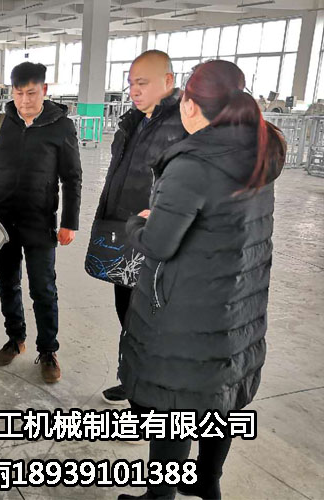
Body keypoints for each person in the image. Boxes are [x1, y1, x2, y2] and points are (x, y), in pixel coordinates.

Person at [116, 60, 286, 500]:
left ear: (190, 104)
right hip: (238, 304)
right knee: (220, 397)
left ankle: (161, 496)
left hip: (190, 310)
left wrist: (138, 221)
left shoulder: (193, 164)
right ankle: (207, 482)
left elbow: (159, 243)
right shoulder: (257, 151)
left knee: (175, 403)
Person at [87, 50, 188, 405]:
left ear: (168, 81)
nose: (134, 90)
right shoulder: (133, 122)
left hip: (155, 240)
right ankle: (133, 380)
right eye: (131, 83)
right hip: (124, 232)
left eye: (142, 83)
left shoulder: (182, 125)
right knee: (127, 313)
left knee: (151, 321)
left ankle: (152, 397)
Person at [0, 62, 82, 384]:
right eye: (18, 93)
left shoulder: (61, 127)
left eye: (31, 93)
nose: (24, 101)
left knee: (43, 288)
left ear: (44, 90)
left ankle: (47, 350)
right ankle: (15, 338)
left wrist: (70, 222)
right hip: (1, 221)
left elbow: (72, 178)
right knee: (7, 284)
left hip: (39, 223)